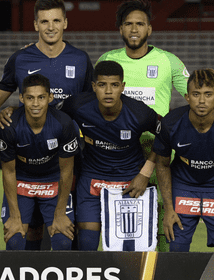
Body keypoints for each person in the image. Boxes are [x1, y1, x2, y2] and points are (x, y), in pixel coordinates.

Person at [97, 0, 214, 251]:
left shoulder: (168, 61)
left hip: (157, 148)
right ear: (120, 29)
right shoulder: (108, 59)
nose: (134, 29)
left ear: (149, 29)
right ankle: (129, 277)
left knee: (164, 216)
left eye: (140, 24)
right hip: (119, 151)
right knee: (124, 218)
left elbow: (198, 93)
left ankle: (161, 274)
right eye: (128, 24)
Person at [0, 0, 93, 250]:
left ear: (65, 23)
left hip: (70, 155)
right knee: (33, 227)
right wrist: (1, 113)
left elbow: (91, 106)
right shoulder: (20, 59)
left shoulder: (80, 59)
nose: (50, 27)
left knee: (71, 228)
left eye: (56, 20)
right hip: (29, 152)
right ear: (35, 25)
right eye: (44, 21)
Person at [57, 61, 161, 251]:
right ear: (94, 86)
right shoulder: (78, 105)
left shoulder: (139, 112)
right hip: (92, 179)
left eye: (114, 85)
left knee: (129, 247)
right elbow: (48, 117)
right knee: (87, 243)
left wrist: (145, 173)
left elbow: (166, 135)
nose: (108, 91)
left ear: (122, 87)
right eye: (102, 85)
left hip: (130, 181)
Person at [154, 69, 214, 252]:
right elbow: (162, 164)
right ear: (187, 96)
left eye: (208, 95)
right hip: (182, 185)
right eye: (196, 94)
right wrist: (168, 208)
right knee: (176, 247)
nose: (201, 101)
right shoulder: (170, 124)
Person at [0, 74, 79, 250]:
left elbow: (67, 172)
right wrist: (15, 216)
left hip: (53, 181)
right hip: (22, 181)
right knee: (14, 241)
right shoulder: (10, 126)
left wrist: (60, 213)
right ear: (21, 98)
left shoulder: (63, 123)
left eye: (41, 97)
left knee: (64, 241)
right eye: (30, 98)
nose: (35, 104)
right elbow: (9, 172)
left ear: (50, 97)